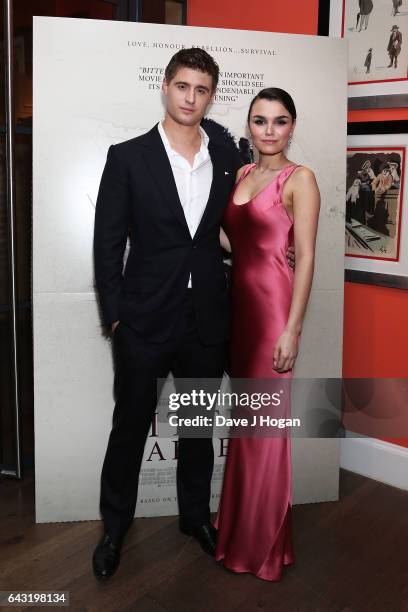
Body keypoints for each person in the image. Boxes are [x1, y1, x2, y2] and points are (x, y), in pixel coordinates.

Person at [92, 48, 296, 581]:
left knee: (197, 427)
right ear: (165, 87)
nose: (191, 98)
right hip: (142, 318)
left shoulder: (228, 156)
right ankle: (114, 527)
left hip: (205, 316)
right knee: (129, 426)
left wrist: (276, 253)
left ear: (211, 95)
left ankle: (193, 518)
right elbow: (106, 245)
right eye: (182, 86)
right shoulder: (128, 156)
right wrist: (115, 316)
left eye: (202, 90)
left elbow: (242, 224)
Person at [216, 88, 320, 581]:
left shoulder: (300, 180)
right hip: (242, 312)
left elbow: (307, 260)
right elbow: (232, 237)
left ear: (292, 126)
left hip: (274, 314)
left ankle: (264, 548)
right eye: (260, 121)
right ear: (250, 126)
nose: (269, 130)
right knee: (247, 426)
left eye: (280, 121)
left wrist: (292, 329)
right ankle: (238, 532)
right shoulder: (242, 174)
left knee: (266, 430)